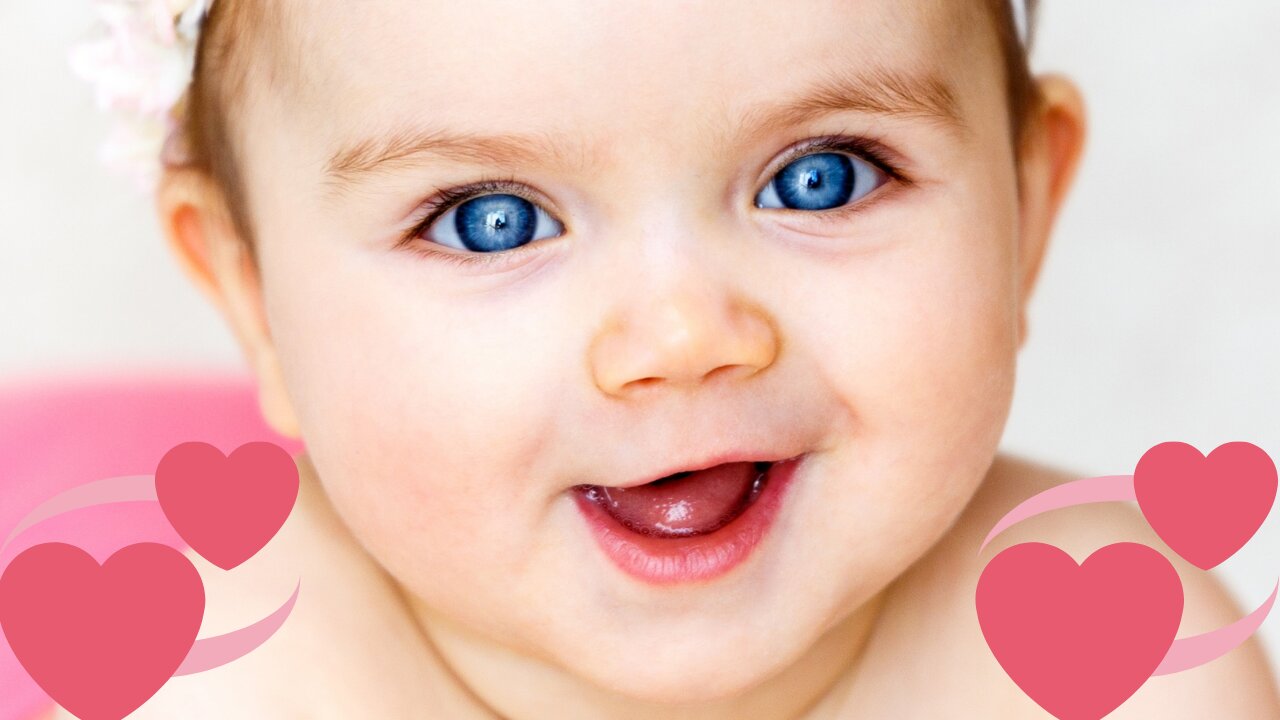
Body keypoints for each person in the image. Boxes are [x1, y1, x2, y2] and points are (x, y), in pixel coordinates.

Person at [50, 0, 1280, 717]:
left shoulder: (1118, 668)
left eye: (822, 176)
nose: (682, 341)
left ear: (1024, 208)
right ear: (252, 294)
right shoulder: (226, 683)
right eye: (493, 218)